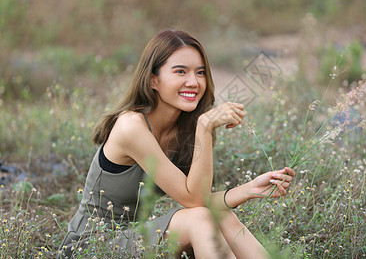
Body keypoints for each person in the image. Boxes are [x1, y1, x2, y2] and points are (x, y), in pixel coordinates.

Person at [59, 29, 295, 258]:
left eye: (200, 72)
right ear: (153, 80)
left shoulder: (184, 130)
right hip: (92, 247)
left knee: (221, 217)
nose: (193, 82)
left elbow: (198, 198)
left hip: (135, 239)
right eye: (180, 71)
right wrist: (204, 127)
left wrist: (250, 189)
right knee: (200, 219)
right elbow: (193, 202)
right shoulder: (130, 126)